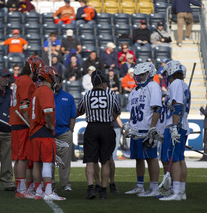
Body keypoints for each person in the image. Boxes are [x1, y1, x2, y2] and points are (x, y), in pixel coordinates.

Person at [77, 70, 121, 199]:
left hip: (92, 128)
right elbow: (117, 111)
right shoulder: (110, 95)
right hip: (106, 128)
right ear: (102, 84)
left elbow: (79, 111)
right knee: (105, 160)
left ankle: (91, 188)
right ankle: (103, 190)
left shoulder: (87, 95)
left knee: (90, 161)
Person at [9, 56, 45, 199]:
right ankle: (21, 189)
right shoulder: (26, 81)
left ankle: (21, 188)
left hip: (18, 122)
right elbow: (24, 105)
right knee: (22, 157)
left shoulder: (21, 80)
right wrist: (32, 124)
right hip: (22, 122)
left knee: (20, 158)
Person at [28, 66, 66, 201]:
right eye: (54, 77)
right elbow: (48, 111)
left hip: (34, 131)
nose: (56, 79)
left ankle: (38, 191)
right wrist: (50, 125)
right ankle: (48, 191)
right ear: (49, 76)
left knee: (37, 163)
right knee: (47, 162)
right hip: (43, 130)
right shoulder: (46, 91)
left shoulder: (36, 92)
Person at [124, 62, 161, 198]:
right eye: (137, 75)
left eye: (142, 75)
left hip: (146, 129)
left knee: (151, 158)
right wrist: (128, 125)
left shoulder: (153, 86)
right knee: (138, 158)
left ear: (150, 74)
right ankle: (140, 186)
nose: (139, 78)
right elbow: (132, 112)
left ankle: (154, 187)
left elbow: (157, 109)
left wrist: (152, 128)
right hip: (135, 129)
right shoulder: (134, 91)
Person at [159, 60, 190, 201]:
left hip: (175, 125)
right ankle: (181, 191)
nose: (165, 76)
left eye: (166, 73)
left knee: (175, 159)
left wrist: (173, 127)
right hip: (182, 125)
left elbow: (177, 106)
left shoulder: (176, 84)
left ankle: (176, 192)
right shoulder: (183, 85)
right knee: (180, 158)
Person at [53, 74, 76, 191]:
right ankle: (50, 185)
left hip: (64, 132)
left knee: (65, 161)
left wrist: (70, 130)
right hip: (49, 133)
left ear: (62, 82)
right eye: (54, 81)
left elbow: (73, 116)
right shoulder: (46, 96)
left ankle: (65, 184)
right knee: (49, 161)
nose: (56, 83)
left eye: (58, 81)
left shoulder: (68, 97)